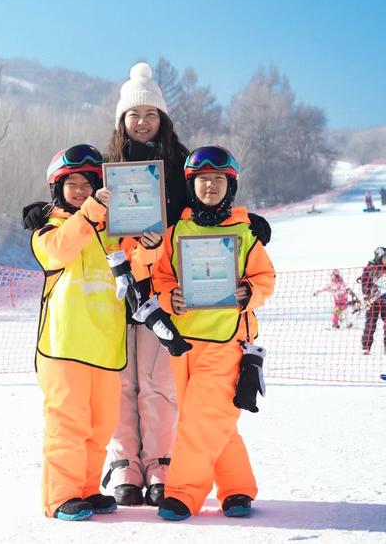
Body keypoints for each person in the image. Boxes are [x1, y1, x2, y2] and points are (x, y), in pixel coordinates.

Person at [23, 62, 272, 508]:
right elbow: (74, 199)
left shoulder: (181, 165)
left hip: (163, 287)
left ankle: (162, 462)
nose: (142, 122)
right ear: (122, 121)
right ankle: (124, 466)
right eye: (134, 115)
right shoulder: (105, 167)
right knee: (118, 384)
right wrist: (44, 211)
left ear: (163, 119)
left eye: (150, 114)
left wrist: (245, 221)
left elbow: (209, 199)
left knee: (158, 382)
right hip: (114, 292)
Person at [30, 144, 164, 521]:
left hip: (106, 349)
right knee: (67, 424)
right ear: (57, 189)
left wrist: (150, 248)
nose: (79, 190)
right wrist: (93, 211)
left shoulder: (110, 233)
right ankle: (60, 497)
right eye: (70, 183)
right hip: (64, 347)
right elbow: (59, 251)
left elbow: (137, 269)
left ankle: (86, 489)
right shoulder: (47, 229)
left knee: (99, 426)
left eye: (86, 184)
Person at [152, 145, 275, 521]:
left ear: (230, 186)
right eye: (203, 180)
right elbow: (160, 278)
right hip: (184, 344)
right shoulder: (176, 233)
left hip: (226, 341)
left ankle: (182, 494)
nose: (210, 186)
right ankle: (237, 488)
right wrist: (169, 298)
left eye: (218, 180)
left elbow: (265, 278)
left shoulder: (245, 232)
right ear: (192, 185)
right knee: (214, 419)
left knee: (200, 420)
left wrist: (248, 293)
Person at [358, 246, 386, 355]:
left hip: (385, 299)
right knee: (370, 323)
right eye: (384, 258)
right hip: (373, 299)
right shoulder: (370, 267)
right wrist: (367, 292)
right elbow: (365, 282)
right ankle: (366, 346)